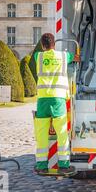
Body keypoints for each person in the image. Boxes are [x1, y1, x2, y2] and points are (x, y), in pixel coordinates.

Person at [33, 33, 79, 175]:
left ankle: (41, 165)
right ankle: (63, 165)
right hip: (58, 99)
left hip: (42, 100)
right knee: (61, 132)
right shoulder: (63, 56)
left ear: (42, 45)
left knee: (41, 133)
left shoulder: (38, 57)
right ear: (54, 44)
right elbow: (75, 57)